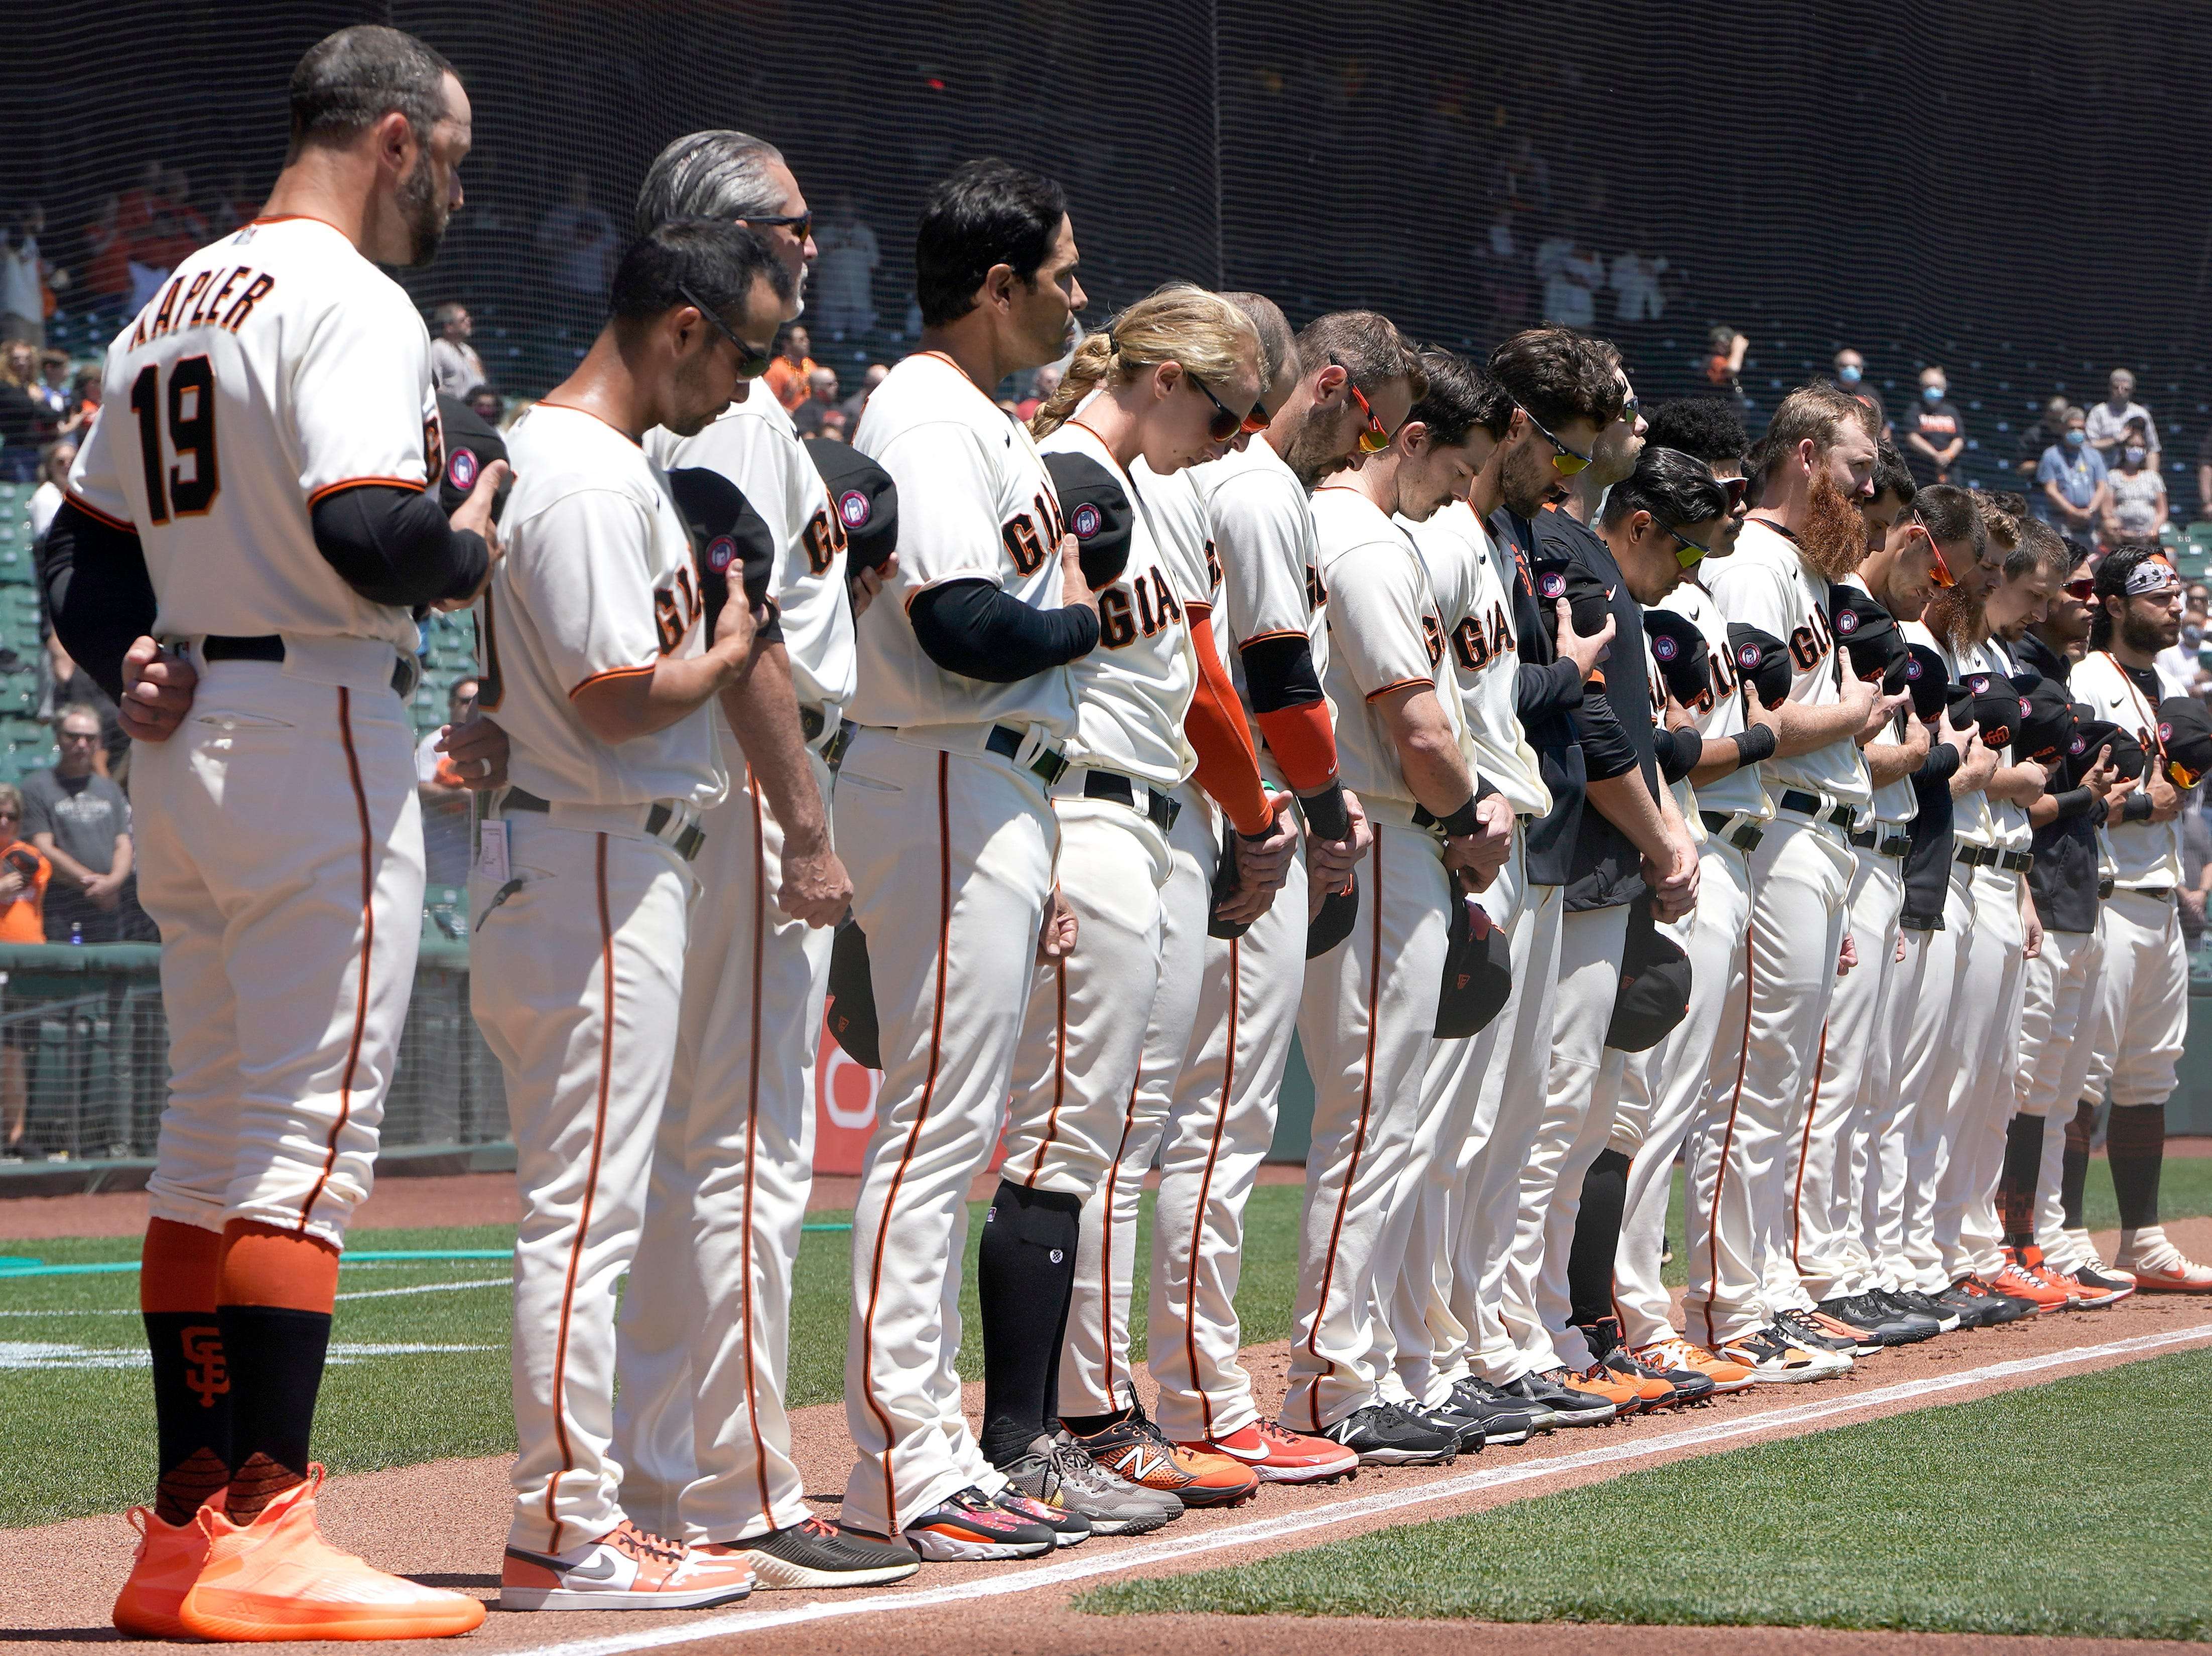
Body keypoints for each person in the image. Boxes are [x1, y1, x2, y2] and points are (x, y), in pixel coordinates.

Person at [44, 24, 497, 1641]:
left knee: (210, 1141)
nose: (454, 181)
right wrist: (471, 535)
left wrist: (127, 662)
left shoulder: (170, 298)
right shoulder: (348, 297)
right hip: (315, 725)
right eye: (448, 152)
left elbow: (78, 567)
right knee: (304, 1145)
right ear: (388, 137)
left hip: (192, 750)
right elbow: (372, 536)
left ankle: (181, 1527)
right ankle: (273, 1521)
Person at [609, 125, 920, 1592]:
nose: (811, 242)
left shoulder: (700, 397)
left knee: (694, 1154)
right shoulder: (728, 404)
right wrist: (808, 825)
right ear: (728, 238)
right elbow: (752, 640)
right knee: (738, 1151)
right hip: (742, 787)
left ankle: (661, 1470)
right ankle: (730, 1483)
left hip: (707, 784)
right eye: (788, 225)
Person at [472, 219, 790, 1613]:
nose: (744, 385)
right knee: (584, 1215)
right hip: (595, 854)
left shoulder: (560, 460)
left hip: (583, 853)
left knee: (586, 1205)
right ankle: (565, 1526)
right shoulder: (591, 477)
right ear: (680, 326)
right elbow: (613, 694)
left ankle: (580, 1515)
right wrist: (725, 652)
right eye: (741, 353)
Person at [835, 158, 1099, 1561]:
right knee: (932, 1129)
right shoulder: (924, 409)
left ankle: (922, 1444)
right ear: (993, 285)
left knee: (948, 1128)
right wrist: (1090, 623)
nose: (1075, 292)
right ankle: (900, 1459)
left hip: (983, 781)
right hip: (940, 763)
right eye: (1059, 271)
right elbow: (958, 623)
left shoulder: (973, 414)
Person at [1010, 283, 1274, 1521]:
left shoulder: (1150, 487)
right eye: (1223, 411)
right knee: (1073, 1136)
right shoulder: (1065, 472)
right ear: (1168, 377)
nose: (1231, 439)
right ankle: (1069, 1420)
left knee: (1119, 1130)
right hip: (1078, 801)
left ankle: (1086, 1412)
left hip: (1151, 807)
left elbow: (1193, 681)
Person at [1145, 306, 1384, 1480]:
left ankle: (1166, 1396)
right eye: (1368, 417)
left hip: (1196, 806)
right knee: (1214, 1121)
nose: (1366, 445)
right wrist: (1318, 811)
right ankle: (1195, 1401)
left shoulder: (1210, 479)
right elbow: (1270, 677)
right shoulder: (1251, 483)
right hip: (1227, 814)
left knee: (1185, 1122)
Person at [1293, 332, 1516, 1461]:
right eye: (1449, 468)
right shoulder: (1364, 540)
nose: (1457, 496)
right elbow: (1418, 728)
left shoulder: (1350, 533)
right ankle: (1332, 1378)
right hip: (1384, 841)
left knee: (1381, 1120)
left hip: (1380, 840)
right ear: (1407, 436)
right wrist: (1465, 815)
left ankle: (1365, 1361)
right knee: (1372, 1119)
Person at [1694, 382, 1897, 1377]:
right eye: (1857, 467)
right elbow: (1752, 726)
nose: (1868, 486)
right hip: (1773, 832)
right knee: (1753, 1078)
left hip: (1822, 836)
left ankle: (1766, 1283)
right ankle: (1729, 1300)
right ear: (1806, 455)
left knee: (1779, 1080)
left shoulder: (1816, 575)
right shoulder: (1751, 562)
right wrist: (1857, 711)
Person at [2068, 543, 2212, 1291]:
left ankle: (2144, 1240)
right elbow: (2072, 789)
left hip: (2159, 899)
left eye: (2177, 593)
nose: (2173, 605)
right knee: (2079, 1076)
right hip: (2105, 893)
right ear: (2114, 605)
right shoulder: (2087, 680)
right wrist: (2136, 802)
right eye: (2156, 595)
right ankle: (2059, 1240)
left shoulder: (2162, 683)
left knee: (2147, 1077)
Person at [2001, 525, 2132, 1305]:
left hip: (2077, 896)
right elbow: (2026, 803)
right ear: (2039, 596)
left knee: (2054, 1091)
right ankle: (2010, 1239)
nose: (2086, 606)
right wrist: (2091, 794)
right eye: (2073, 593)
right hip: (2038, 899)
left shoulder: (2058, 679)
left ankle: (2041, 1238)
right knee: (2022, 1088)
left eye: (2088, 592)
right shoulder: (2020, 677)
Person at [24, 704, 133, 942]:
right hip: (60, 901)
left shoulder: (110, 788)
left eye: (90, 738)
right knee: (61, 971)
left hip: (107, 902)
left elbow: (123, 843)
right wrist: (93, 886)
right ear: (58, 738)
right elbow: (43, 847)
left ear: (99, 742)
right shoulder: (37, 787)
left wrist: (113, 883)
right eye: (73, 737)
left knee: (107, 971)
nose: (82, 744)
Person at [0, 780, 47, 1155]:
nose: (3, 823)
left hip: (25, 967)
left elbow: (33, 874)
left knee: (14, 1054)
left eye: (10, 816)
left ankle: (16, 1137)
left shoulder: (30, 858)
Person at [413, 677, 479, 888]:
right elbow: (420, 789)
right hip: (443, 847)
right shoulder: (433, 744)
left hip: (478, 846)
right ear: (452, 704)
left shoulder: (491, 745)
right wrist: (462, 794)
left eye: (477, 700)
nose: (472, 707)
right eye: (466, 700)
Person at [536, 172, 620, 333]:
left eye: (583, 183)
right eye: (575, 183)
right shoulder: (558, 215)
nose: (579, 187)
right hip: (562, 288)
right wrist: (564, 243)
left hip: (593, 290)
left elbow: (611, 256)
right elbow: (541, 249)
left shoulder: (601, 218)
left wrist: (612, 288)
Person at [812, 193, 880, 338]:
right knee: (830, 342)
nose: (845, 210)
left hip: (860, 301)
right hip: (832, 301)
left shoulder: (866, 235)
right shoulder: (823, 235)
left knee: (862, 342)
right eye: (841, 206)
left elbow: (874, 264)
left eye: (848, 206)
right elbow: (812, 264)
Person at [2035, 406, 2108, 539]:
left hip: (2089, 523)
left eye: (2080, 428)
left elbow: (2102, 487)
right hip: (2060, 523)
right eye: (2072, 428)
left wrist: (2089, 511)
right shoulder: (2051, 455)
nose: (2077, 432)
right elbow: (2050, 490)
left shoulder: (2094, 455)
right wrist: (2073, 512)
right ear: (2063, 429)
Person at [2104, 420, 2168, 541]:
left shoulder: (2154, 478)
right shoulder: (2113, 476)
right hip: (2122, 539)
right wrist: (2119, 531)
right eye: (2132, 446)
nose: (2136, 450)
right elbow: (2107, 511)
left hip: (2148, 538)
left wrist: (2154, 530)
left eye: (2140, 447)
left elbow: (2162, 511)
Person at [1901, 365, 1964, 487]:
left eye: (1937, 386)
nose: (1933, 389)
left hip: (1950, 471)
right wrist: (1935, 455)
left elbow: (1959, 439)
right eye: (1929, 386)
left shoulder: (1952, 411)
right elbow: (1912, 437)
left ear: (1944, 388)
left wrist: (1948, 455)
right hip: (1921, 471)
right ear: (1921, 387)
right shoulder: (1915, 409)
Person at [2085, 367, 2159, 462]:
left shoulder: (2142, 413)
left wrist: (2152, 476)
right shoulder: (2098, 412)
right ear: (2110, 388)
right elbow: (2089, 445)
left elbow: (2153, 449)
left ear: (2132, 390)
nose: (2120, 392)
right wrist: (2116, 440)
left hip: (2134, 473)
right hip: (2103, 470)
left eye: (2126, 389)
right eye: (2117, 387)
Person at [427, 301, 486, 400]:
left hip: (476, 409)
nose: (469, 321)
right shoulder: (438, 348)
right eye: (463, 320)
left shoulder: (468, 351)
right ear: (449, 327)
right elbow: (435, 386)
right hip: (453, 409)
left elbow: (481, 380)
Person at [1833, 348, 1888, 443]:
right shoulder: (1828, 391)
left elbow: (1885, 425)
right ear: (1837, 367)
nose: (1851, 370)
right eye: (1845, 366)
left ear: (1862, 369)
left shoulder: (1871, 393)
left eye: (1856, 367)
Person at [2016, 395, 2072, 483]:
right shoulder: (2033, 435)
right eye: (2053, 421)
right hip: (2040, 488)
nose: (2057, 425)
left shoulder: (2071, 434)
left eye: (2060, 421)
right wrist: (2046, 464)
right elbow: (2021, 469)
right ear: (2046, 416)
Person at [763, 322, 816, 412]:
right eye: (801, 340)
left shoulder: (810, 365)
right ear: (787, 344)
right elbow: (767, 401)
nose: (807, 342)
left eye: (806, 338)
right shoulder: (776, 370)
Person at [791, 364, 839, 437]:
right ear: (817, 388)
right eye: (830, 384)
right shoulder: (805, 411)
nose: (835, 387)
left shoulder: (838, 407)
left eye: (836, 383)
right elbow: (807, 438)